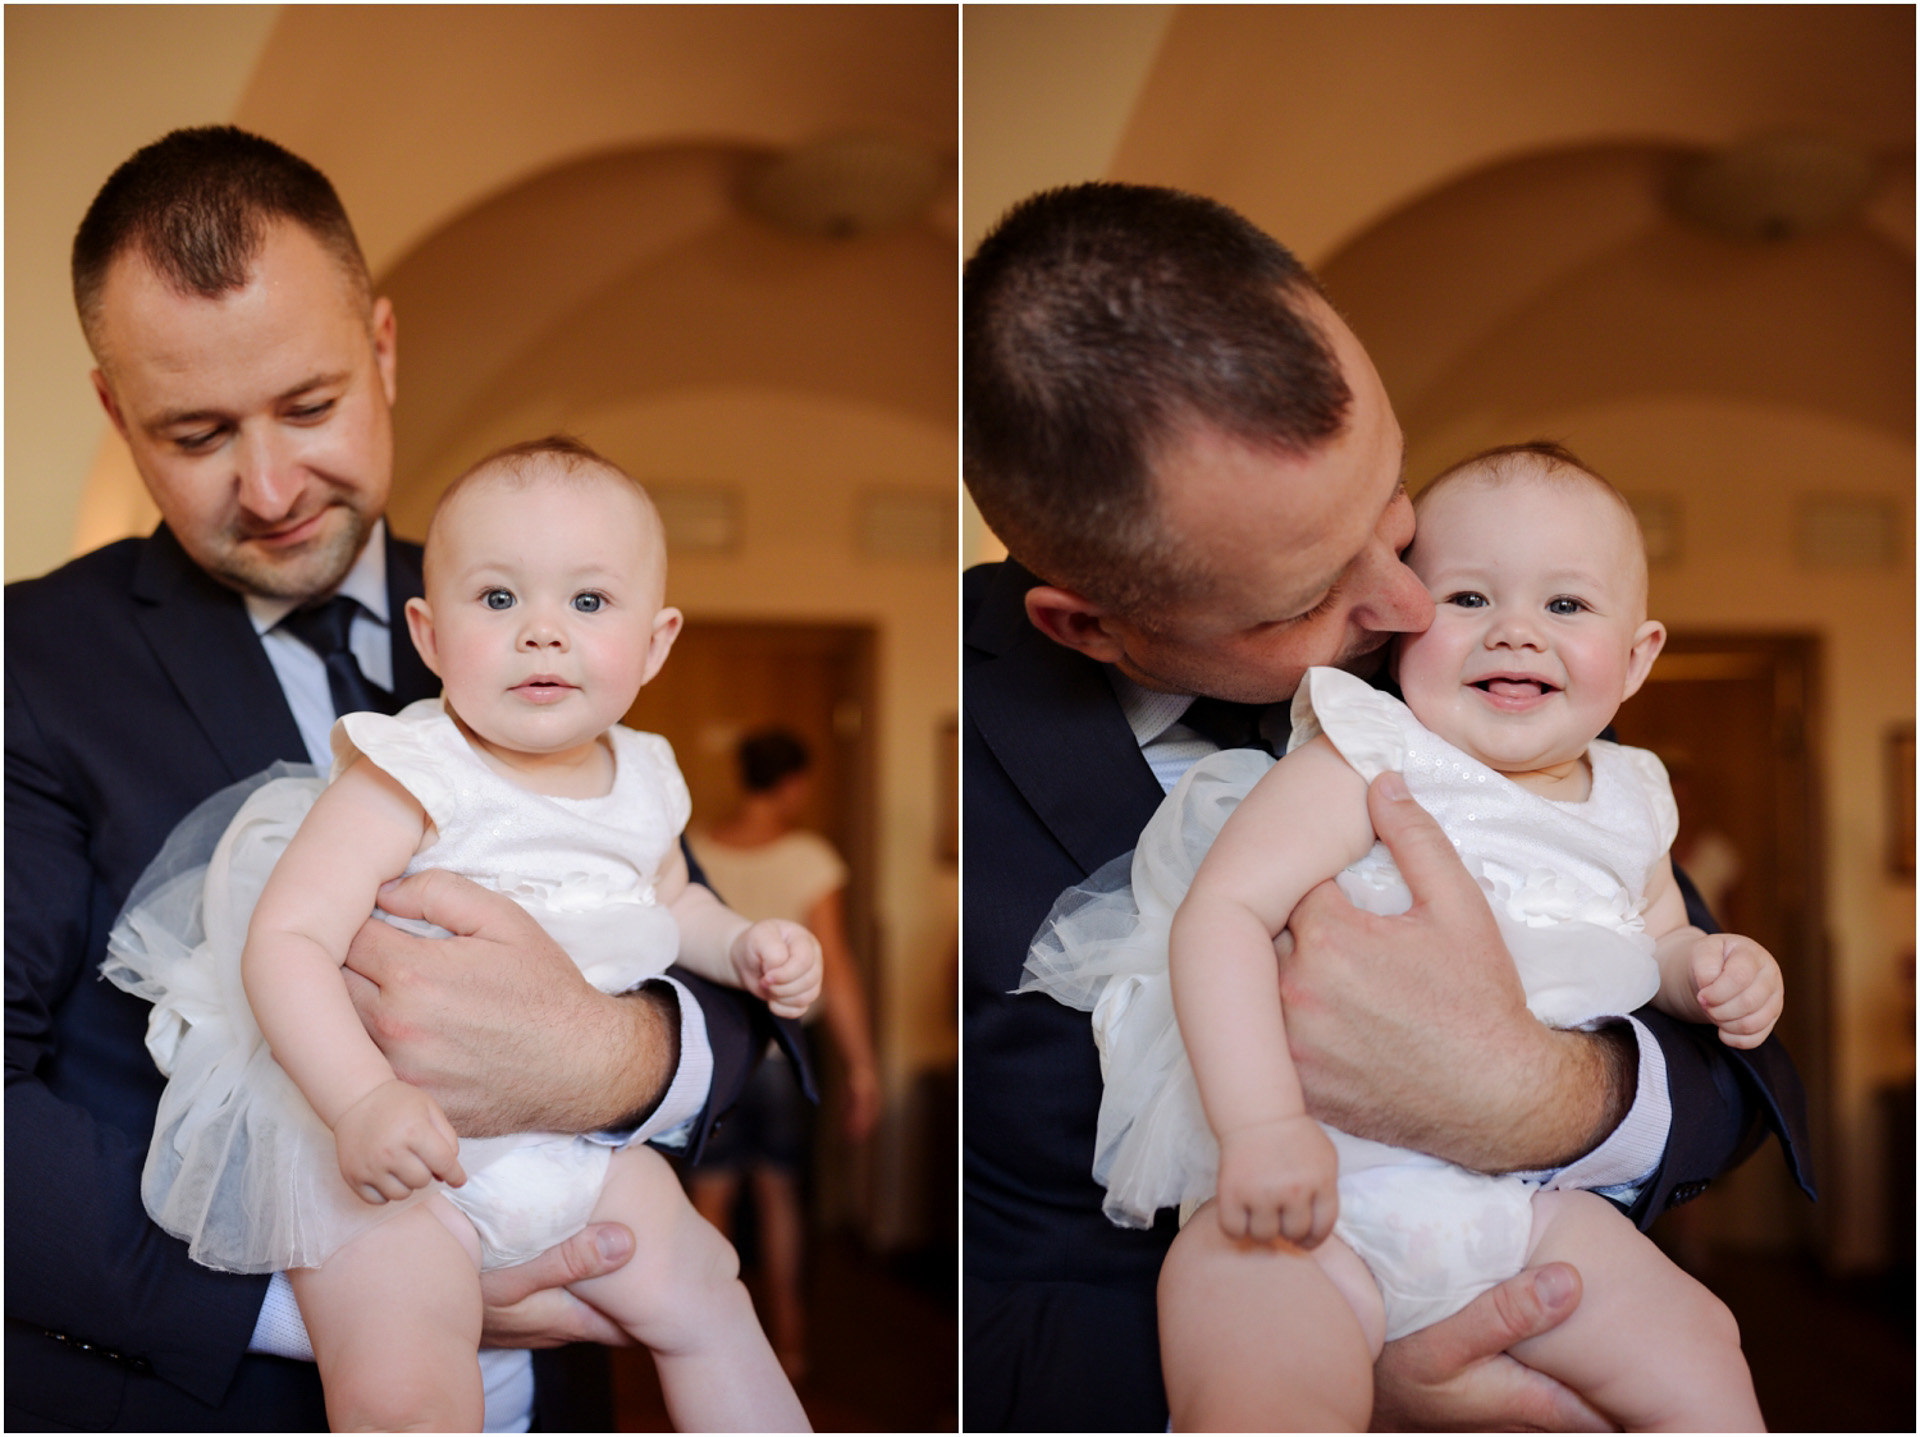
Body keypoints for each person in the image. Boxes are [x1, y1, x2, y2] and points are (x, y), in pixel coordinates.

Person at [961, 182, 1812, 1431]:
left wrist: (1537, 1091)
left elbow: (1728, 1071)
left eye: (1395, 504)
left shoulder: (1502, 677)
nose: (1413, 605)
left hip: (1529, 1248)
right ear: (1089, 624)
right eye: (1311, 591)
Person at [5, 126, 791, 1432]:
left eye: (309, 407)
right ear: (113, 411)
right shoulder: (29, 663)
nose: (270, 487)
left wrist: (609, 1056)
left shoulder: (537, 601)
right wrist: (335, 1301)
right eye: (197, 432)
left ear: (380, 348)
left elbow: (700, 958)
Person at [104, 438, 820, 1432]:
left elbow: (671, 908)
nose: (542, 632)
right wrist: (361, 1101)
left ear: (656, 644)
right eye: (498, 598)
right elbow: (288, 938)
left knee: (709, 1292)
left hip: (577, 1149)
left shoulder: (649, 779)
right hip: (395, 1169)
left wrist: (742, 945)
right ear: (430, 634)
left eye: (588, 601)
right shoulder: (409, 771)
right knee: (404, 1377)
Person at [687, 727, 882, 1380]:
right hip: (783, 1055)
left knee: (709, 1204)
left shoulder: (695, 848)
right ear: (794, 783)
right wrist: (862, 1068)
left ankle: (707, 1355)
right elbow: (837, 967)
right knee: (780, 1200)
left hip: (710, 1057)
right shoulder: (808, 857)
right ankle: (790, 1347)